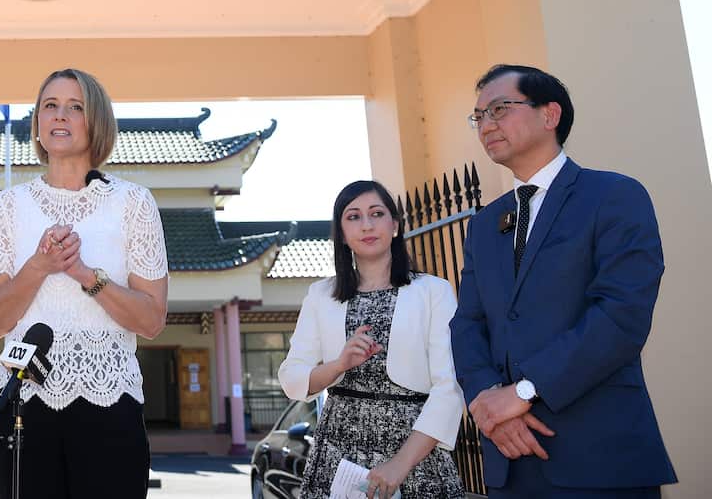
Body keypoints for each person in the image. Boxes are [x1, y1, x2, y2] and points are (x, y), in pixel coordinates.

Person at [450, 64, 676, 497]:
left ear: (550, 115)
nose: (486, 125)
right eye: (478, 117)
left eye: (499, 109)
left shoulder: (614, 196)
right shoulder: (484, 224)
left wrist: (525, 391)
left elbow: (621, 316)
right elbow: (467, 325)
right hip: (509, 460)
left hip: (600, 459)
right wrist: (487, 401)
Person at [0, 68, 168, 499]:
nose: (60, 115)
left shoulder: (134, 203)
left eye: (75, 106)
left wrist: (86, 275)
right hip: (23, 404)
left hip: (111, 402)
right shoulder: (8, 206)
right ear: (38, 123)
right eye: (50, 105)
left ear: (96, 120)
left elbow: (152, 319)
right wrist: (39, 266)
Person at [279, 179, 465, 499]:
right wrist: (338, 365)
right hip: (337, 452)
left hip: (415, 451)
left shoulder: (434, 291)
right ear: (341, 232)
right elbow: (292, 376)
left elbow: (450, 386)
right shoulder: (320, 295)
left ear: (394, 224)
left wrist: (399, 465)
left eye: (376, 213)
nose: (366, 225)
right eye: (353, 217)